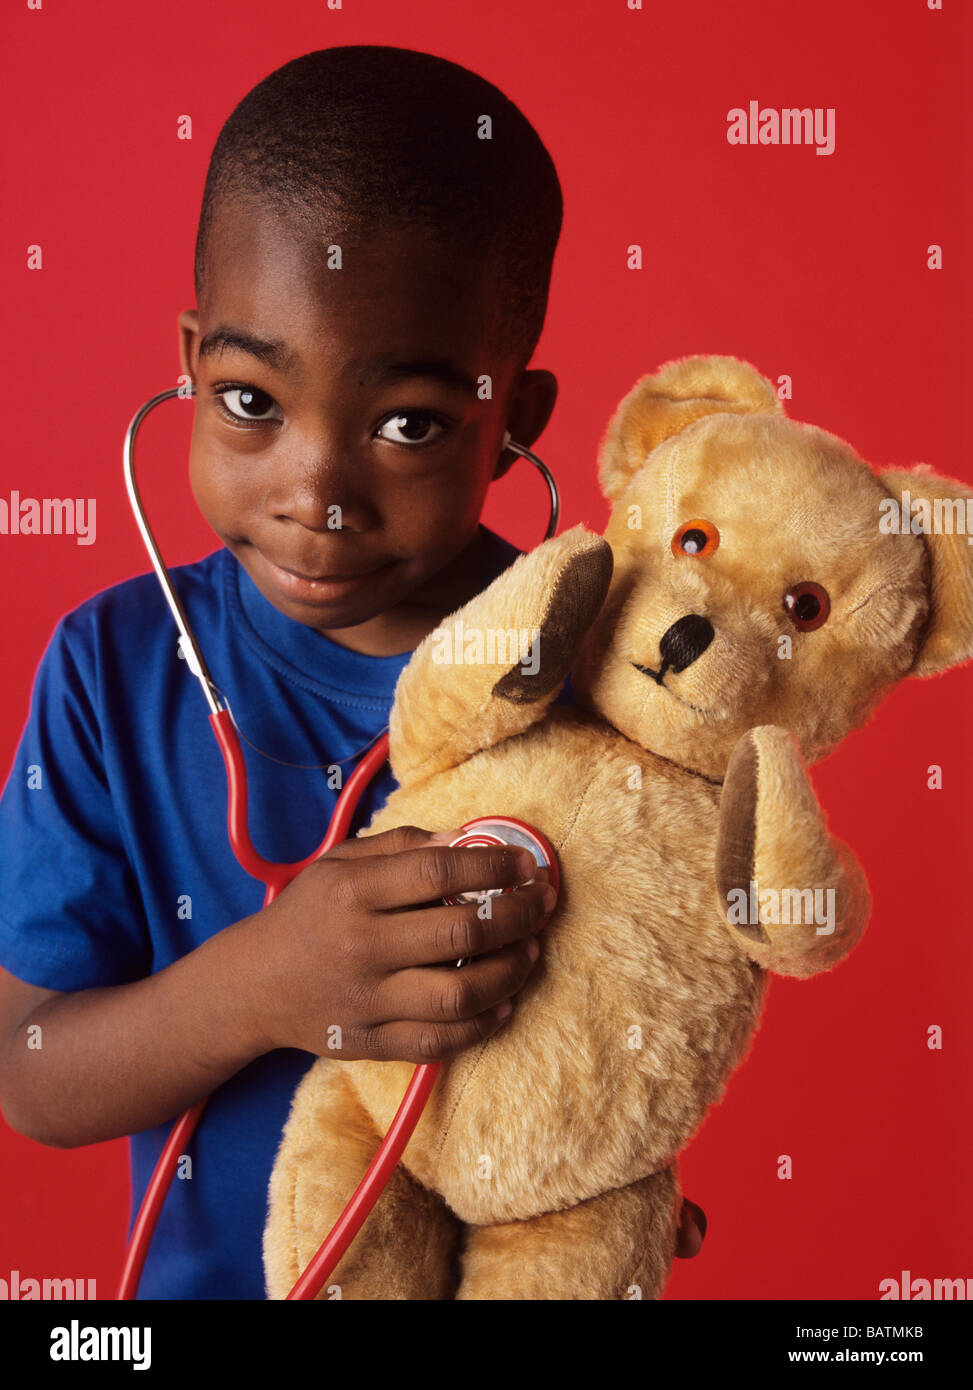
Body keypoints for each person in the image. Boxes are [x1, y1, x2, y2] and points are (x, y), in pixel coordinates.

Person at [0, 45, 703, 1298]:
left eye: (409, 425)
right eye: (250, 398)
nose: (315, 491)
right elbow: (30, 1070)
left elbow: (638, 1012)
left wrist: (603, 1154)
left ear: (515, 423)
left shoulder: (604, 691)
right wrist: (264, 986)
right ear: (189, 359)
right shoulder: (110, 672)